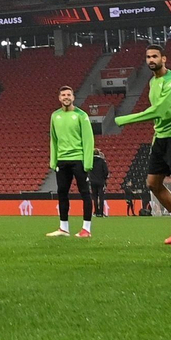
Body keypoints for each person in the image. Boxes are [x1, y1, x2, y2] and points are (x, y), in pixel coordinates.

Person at [115, 45, 171, 244]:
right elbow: (159, 114)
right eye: (148, 57)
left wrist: (123, 120)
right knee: (153, 183)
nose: (151, 60)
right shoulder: (153, 81)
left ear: (164, 59)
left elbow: (159, 111)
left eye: (155, 56)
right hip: (160, 136)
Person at [47, 85, 94, 238]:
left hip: (78, 160)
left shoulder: (81, 115)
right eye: (63, 95)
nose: (66, 97)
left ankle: (86, 229)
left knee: (85, 193)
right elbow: (53, 139)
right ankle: (63, 228)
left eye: (69, 95)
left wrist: (88, 162)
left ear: (73, 97)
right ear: (59, 98)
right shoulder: (55, 116)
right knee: (62, 193)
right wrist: (53, 161)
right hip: (62, 161)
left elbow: (88, 139)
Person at [89, 149, 109, 217]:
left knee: (94, 197)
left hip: (93, 181)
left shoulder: (90, 161)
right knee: (101, 197)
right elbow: (106, 171)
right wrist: (104, 178)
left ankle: (96, 212)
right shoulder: (102, 161)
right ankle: (101, 212)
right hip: (101, 181)